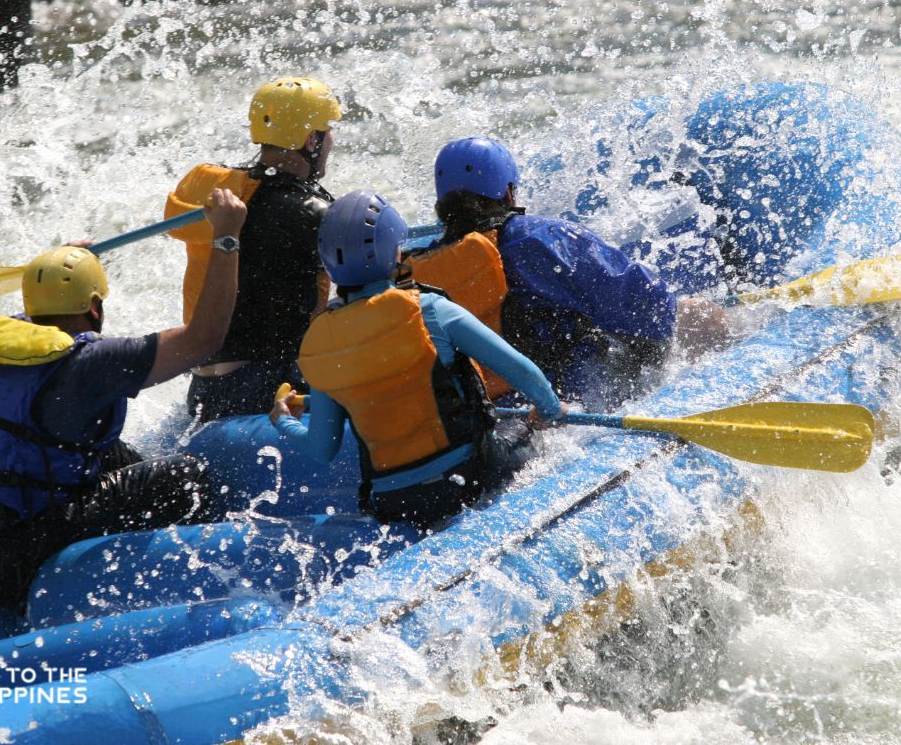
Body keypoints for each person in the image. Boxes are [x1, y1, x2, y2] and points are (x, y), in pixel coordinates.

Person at [0, 189, 248, 618]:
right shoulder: (91, 363)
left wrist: (61, 265)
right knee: (185, 476)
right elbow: (204, 339)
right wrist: (226, 237)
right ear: (94, 308)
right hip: (9, 566)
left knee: (111, 452)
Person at [269, 190, 566, 528]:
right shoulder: (429, 310)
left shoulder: (320, 342)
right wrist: (550, 410)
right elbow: (520, 371)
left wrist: (283, 420)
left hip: (393, 502)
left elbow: (323, 447)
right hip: (468, 477)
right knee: (526, 429)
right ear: (389, 251)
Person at [405, 137, 728, 409]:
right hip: (563, 403)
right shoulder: (540, 239)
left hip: (486, 414)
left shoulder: (419, 270)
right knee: (697, 314)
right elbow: (649, 310)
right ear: (508, 193)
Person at [164, 76, 342, 423]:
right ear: (311, 140)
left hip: (203, 390)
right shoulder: (312, 214)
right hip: (266, 388)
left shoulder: (227, 194)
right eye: (328, 131)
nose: (332, 140)